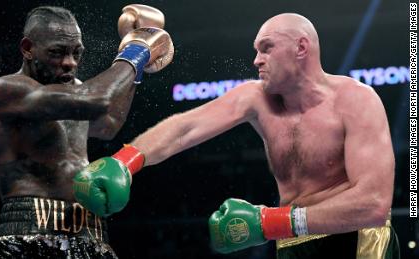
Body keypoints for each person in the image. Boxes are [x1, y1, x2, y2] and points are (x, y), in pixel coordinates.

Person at [74, 13, 400, 258]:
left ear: (301, 47)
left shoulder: (356, 100)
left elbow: (373, 203)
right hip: (291, 241)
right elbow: (185, 127)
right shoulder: (256, 98)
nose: (257, 59)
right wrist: (124, 162)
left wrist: (266, 223)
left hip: (356, 238)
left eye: (266, 49)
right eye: (256, 50)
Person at [0, 5, 173, 258]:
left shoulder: (77, 92)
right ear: (28, 49)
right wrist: (136, 51)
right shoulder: (4, 90)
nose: (69, 63)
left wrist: (136, 69)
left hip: (90, 230)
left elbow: (108, 123)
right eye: (58, 53)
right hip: (31, 226)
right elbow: (98, 99)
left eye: (76, 52)